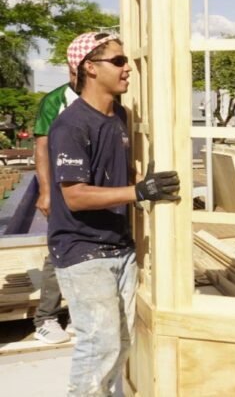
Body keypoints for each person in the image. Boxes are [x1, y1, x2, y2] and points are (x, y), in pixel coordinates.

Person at [48, 32, 181, 396]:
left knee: (120, 343)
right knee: (99, 347)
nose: (128, 69)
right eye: (119, 61)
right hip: (83, 251)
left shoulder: (118, 116)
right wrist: (138, 193)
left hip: (119, 246)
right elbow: (74, 196)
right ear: (90, 68)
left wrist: (145, 183)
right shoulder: (72, 125)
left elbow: (120, 175)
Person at [31, 71, 80, 344]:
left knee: (90, 250)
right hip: (63, 190)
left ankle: (76, 312)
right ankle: (46, 318)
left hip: (95, 190)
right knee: (59, 250)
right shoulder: (55, 100)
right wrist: (46, 191)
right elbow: (41, 148)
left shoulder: (110, 97)